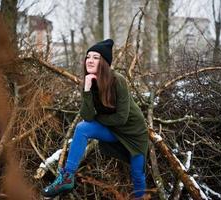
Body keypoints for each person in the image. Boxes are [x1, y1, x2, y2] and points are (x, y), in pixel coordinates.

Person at [42, 39, 149, 199]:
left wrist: (97, 118)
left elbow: (121, 117)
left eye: (95, 57)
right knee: (82, 128)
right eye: (88, 56)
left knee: (137, 174)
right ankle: (67, 177)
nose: (90, 60)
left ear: (104, 62)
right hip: (113, 130)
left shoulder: (117, 80)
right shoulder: (89, 82)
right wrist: (86, 89)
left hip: (134, 134)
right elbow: (87, 116)